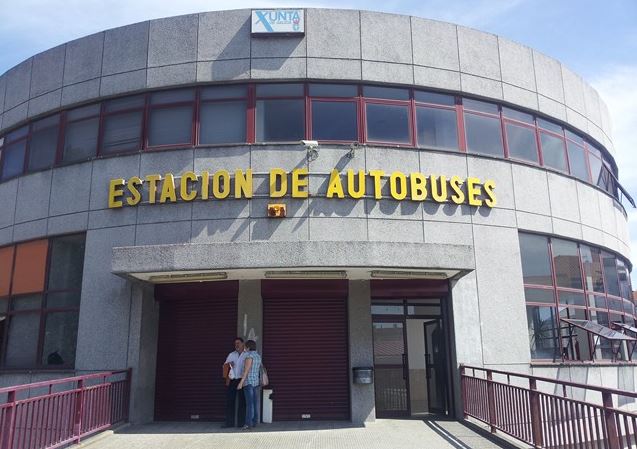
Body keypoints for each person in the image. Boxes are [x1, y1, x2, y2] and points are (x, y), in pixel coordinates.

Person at [237, 339, 262, 430]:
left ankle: (248, 424)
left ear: (248, 347)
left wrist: (241, 383)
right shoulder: (258, 356)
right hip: (255, 382)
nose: (244, 349)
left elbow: (246, 370)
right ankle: (255, 421)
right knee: (255, 403)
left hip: (248, 383)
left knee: (249, 404)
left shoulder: (249, 356)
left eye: (245, 347)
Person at [222, 337, 246, 428]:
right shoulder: (231, 355)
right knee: (230, 402)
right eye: (235, 343)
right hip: (232, 380)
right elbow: (224, 366)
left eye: (238, 343)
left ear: (243, 344)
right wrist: (229, 364)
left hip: (242, 380)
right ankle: (229, 423)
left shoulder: (246, 355)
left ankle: (241, 423)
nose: (237, 345)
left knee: (242, 402)